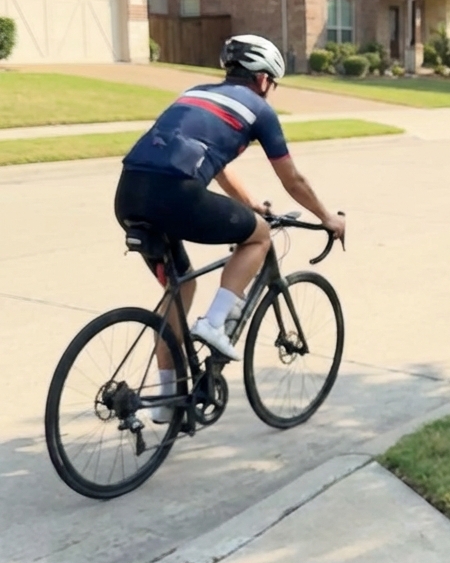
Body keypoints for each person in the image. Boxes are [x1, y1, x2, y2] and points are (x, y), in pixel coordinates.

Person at [115, 35, 346, 414]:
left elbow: (217, 167)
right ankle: (216, 322)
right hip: (176, 194)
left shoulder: (196, 93)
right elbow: (294, 181)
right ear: (264, 79)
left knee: (180, 289)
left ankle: (163, 401)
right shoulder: (259, 109)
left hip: (129, 193)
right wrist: (327, 218)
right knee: (259, 235)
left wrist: (252, 204)